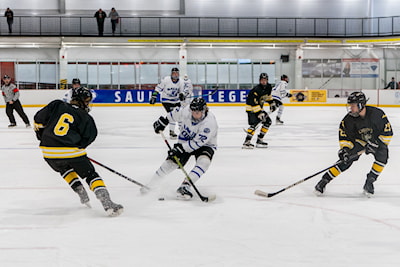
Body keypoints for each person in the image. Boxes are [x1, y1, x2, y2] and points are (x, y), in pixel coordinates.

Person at [33, 87, 123, 216]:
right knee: (90, 175)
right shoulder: (86, 117)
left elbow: (38, 119)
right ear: (82, 101)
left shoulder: (57, 105)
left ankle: (80, 191)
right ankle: (107, 203)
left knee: (64, 169)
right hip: (71, 152)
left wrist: (42, 136)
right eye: (87, 101)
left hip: (48, 152)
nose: (88, 103)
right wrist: (77, 147)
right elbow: (89, 137)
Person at [314, 91, 393, 197]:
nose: (350, 108)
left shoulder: (377, 115)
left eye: (353, 106)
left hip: (376, 141)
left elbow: (388, 133)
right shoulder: (348, 120)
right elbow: (345, 138)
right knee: (346, 160)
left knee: (383, 156)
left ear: (361, 105)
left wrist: (376, 144)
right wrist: (345, 150)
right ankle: (324, 180)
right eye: (350, 105)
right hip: (359, 141)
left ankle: (370, 181)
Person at [142, 98, 218, 199]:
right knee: (172, 161)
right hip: (185, 140)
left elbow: (197, 143)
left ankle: (185, 185)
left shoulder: (209, 123)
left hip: (205, 144)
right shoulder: (186, 111)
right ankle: (151, 185)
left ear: (204, 111)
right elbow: (174, 114)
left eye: (198, 112)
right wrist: (164, 121)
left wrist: (180, 149)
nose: (194, 114)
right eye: (193, 111)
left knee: (204, 162)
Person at [149, 67, 188, 139]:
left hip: (176, 101)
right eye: (174, 73)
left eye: (177, 73)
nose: (175, 75)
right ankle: (172, 132)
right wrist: (153, 96)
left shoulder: (181, 82)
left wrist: (182, 95)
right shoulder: (166, 80)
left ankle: (182, 131)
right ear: (171, 74)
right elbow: (158, 88)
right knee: (172, 114)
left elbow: (182, 92)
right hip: (166, 100)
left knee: (180, 116)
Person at [242, 73, 272, 149]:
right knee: (254, 124)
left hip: (259, 108)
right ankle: (247, 142)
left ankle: (259, 140)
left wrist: (272, 103)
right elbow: (252, 102)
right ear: (259, 81)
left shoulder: (269, 87)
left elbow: (267, 97)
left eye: (265, 80)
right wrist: (259, 113)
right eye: (262, 80)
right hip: (251, 109)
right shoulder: (256, 90)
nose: (264, 82)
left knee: (268, 122)